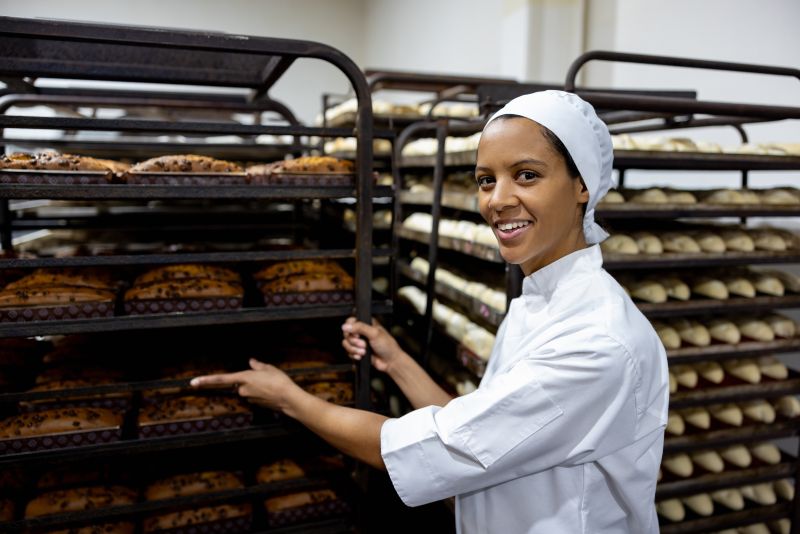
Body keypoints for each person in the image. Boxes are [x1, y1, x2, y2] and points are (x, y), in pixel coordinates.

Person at [191, 90, 670, 534]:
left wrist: (289, 398)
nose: (498, 200)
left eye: (527, 174)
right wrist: (395, 359)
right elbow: (482, 426)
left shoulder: (596, 342)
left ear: (582, 185)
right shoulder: (540, 301)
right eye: (487, 179)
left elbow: (439, 446)